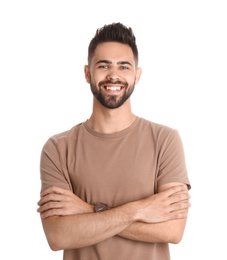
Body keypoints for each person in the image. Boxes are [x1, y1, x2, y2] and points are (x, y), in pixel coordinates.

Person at [37, 22, 191, 260]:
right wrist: (140, 210)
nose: (114, 75)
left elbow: (172, 230)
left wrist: (87, 210)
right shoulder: (58, 148)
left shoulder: (165, 140)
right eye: (104, 65)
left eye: (124, 66)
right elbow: (58, 236)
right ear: (88, 72)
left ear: (136, 75)